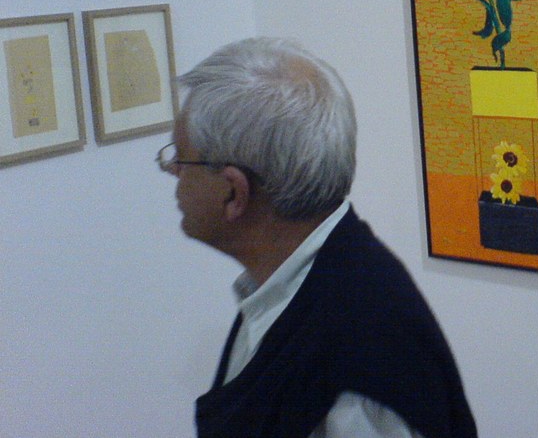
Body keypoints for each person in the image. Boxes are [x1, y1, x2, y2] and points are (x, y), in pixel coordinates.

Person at [157, 37, 477, 438]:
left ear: (233, 192)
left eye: (180, 158)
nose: (171, 172)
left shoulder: (361, 356)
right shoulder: (299, 283)